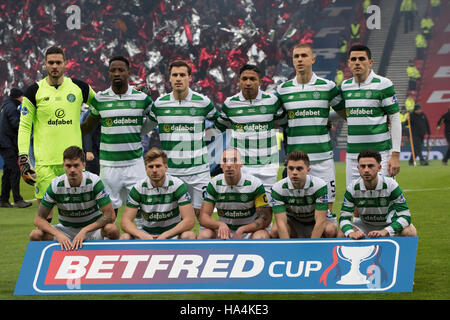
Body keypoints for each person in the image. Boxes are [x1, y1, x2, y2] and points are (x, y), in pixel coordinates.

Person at [18, 46, 96, 220]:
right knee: (45, 219)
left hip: (73, 162)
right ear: (44, 64)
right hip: (44, 163)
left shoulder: (80, 87)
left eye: (58, 62)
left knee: (79, 214)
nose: (55, 66)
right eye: (51, 62)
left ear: (65, 64)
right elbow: (24, 127)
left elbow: (100, 106)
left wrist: (87, 127)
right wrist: (24, 157)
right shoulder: (33, 91)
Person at [149, 60, 225, 220]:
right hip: (172, 171)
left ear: (190, 77)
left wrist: (206, 135)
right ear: (168, 78)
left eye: (182, 75)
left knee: (203, 216)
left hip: (199, 171)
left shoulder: (202, 102)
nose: (178, 78)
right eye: (174, 75)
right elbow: (147, 126)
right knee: (173, 218)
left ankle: (205, 245)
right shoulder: (159, 104)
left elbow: (220, 123)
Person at [276, 43, 345, 217]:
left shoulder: (327, 87)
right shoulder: (283, 90)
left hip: (322, 159)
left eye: (304, 56)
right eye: (296, 56)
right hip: (295, 163)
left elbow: (345, 113)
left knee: (326, 215)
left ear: (313, 59)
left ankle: (322, 244)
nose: (300, 59)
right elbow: (277, 120)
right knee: (292, 213)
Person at [81, 56, 154, 215]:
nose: (117, 73)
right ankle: (109, 239)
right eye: (113, 70)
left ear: (128, 72)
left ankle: (142, 239)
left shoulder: (141, 99)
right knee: (108, 214)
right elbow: (88, 127)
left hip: (134, 164)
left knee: (143, 210)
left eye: (121, 70)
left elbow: (155, 118)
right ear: (108, 73)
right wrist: (67, 126)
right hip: (109, 166)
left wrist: (140, 130)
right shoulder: (100, 99)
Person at [335, 44, 402, 186]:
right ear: (348, 63)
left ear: (370, 62)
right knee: (354, 201)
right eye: (353, 59)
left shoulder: (383, 84)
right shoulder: (345, 86)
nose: (357, 62)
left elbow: (395, 118)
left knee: (383, 198)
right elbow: (347, 112)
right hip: (354, 156)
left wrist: (395, 155)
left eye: (361, 59)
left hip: (380, 155)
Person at [29, 146, 119, 250]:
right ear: (63, 166)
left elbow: (110, 216)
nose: (72, 170)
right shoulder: (56, 185)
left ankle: (108, 260)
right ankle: (45, 265)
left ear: (83, 165)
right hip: (66, 231)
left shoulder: (94, 182)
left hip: (91, 230)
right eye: (68, 166)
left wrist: (85, 230)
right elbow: (38, 219)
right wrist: (58, 234)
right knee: (35, 235)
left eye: (76, 165)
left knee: (112, 229)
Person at [218, 64, 284, 206]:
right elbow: (220, 126)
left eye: (253, 79)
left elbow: (282, 122)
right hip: (242, 167)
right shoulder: (230, 104)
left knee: (266, 210)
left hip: (268, 167)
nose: (248, 82)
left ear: (260, 82)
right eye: (245, 79)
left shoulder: (272, 101)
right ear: (239, 81)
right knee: (244, 208)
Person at [120, 148, 196, 240]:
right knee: (125, 237)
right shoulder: (138, 188)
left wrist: (166, 235)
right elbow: (125, 222)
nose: (154, 170)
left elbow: (189, 220)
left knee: (189, 235)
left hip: (172, 234)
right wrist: (142, 235)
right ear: (146, 169)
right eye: (151, 167)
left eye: (158, 166)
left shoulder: (178, 185)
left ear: (166, 167)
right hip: (147, 234)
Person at [339, 149, 417, 239]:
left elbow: (405, 215)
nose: (366, 170)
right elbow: (344, 218)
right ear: (358, 168)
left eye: (370, 166)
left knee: (410, 231)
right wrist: (351, 233)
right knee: (341, 233)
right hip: (364, 225)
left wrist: (386, 231)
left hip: (388, 224)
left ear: (379, 168)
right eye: (363, 166)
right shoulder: (352, 188)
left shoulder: (391, 185)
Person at [198, 148, 272, 239]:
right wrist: (219, 224)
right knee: (204, 235)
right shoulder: (214, 184)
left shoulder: (254, 184)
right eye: (225, 161)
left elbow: (265, 218)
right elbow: (203, 217)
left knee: (261, 236)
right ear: (221, 165)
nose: (229, 165)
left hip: (249, 231)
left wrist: (243, 229)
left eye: (234, 160)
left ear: (241, 163)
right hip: (224, 231)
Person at [270, 150, 337, 239]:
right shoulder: (278, 188)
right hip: (294, 222)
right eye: (291, 168)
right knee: (274, 231)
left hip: (314, 222)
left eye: (299, 169)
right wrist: (286, 248)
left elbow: (320, 221)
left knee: (330, 230)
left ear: (308, 170)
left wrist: (311, 247)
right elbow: (281, 223)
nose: (294, 172)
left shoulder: (319, 186)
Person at [0, 88, 31, 208]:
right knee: (15, 170)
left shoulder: (5, 105)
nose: (23, 99)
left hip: (4, 142)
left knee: (8, 171)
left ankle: (3, 199)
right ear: (18, 97)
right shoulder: (12, 108)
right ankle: (18, 200)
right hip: (6, 143)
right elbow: (16, 125)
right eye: (22, 97)